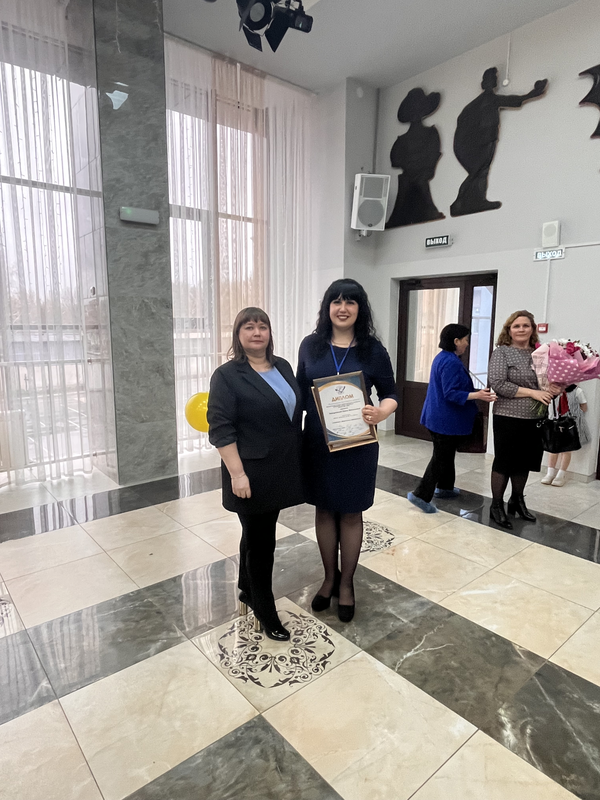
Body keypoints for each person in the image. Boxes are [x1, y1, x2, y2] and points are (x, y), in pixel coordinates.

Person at [297, 279, 398, 622]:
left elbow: (391, 393)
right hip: (318, 443)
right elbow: (300, 392)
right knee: (325, 511)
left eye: (350, 302)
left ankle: (346, 584)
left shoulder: (373, 350)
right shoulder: (311, 346)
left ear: (360, 309)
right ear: (327, 307)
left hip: (358, 445)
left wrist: (381, 412)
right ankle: (329, 578)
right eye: (336, 301)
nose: (343, 308)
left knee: (352, 514)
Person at [207, 307, 303, 641]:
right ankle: (265, 608)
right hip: (249, 471)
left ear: (270, 333)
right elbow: (221, 429)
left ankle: (247, 589)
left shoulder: (283, 367)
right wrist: (237, 474)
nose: (257, 332)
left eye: (262, 326)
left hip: (280, 467)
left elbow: (292, 413)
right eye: (248, 327)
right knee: (262, 542)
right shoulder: (227, 375)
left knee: (256, 532)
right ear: (238, 334)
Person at [407, 323, 496, 514]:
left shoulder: (443, 357)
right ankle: (420, 495)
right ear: (456, 341)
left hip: (437, 417)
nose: (467, 344)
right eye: (466, 340)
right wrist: (478, 395)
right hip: (445, 420)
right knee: (441, 458)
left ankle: (445, 488)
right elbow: (451, 393)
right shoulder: (451, 362)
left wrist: (475, 393)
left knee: (446, 455)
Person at [487, 310, 559, 529]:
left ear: (532, 329)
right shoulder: (502, 352)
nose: (521, 329)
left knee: (525, 461)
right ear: (509, 330)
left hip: (535, 417)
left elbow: (547, 384)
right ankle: (496, 506)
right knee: (504, 462)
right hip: (508, 417)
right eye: (516, 326)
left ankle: (517, 501)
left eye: (525, 325)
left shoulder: (541, 353)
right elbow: (498, 384)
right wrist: (533, 393)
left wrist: (554, 389)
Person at [541, 384, 590, 486]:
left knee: (566, 450)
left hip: (569, 424)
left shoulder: (577, 391)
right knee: (552, 449)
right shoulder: (551, 390)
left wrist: (574, 414)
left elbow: (584, 407)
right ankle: (550, 473)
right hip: (553, 423)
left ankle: (561, 475)